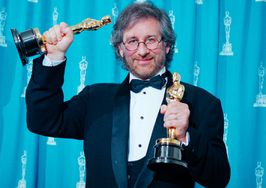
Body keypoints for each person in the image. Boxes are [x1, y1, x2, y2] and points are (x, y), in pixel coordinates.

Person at [26, 2, 230, 188]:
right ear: (120, 49)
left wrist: (187, 137)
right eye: (132, 41)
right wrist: (54, 56)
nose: (142, 51)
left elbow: (218, 178)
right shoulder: (95, 99)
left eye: (151, 40)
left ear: (167, 46)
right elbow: (42, 121)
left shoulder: (202, 103)